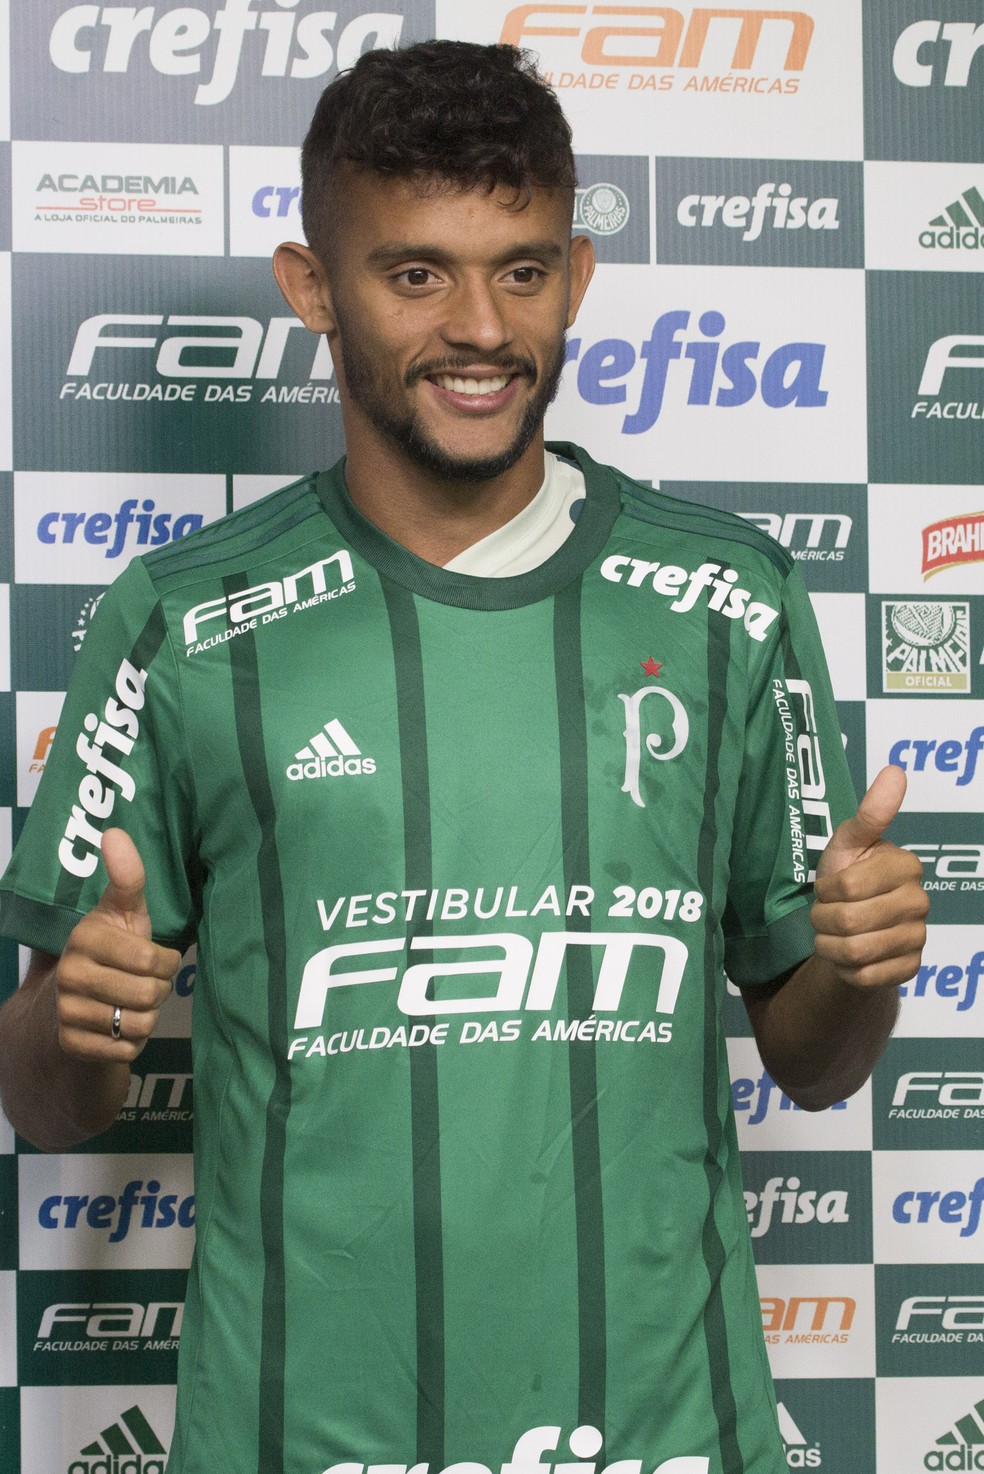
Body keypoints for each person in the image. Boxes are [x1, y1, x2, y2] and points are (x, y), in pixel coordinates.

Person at [0, 40, 926, 1474]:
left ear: (579, 276)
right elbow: (44, 1104)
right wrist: (76, 1021)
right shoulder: (183, 620)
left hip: (667, 1436)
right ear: (312, 285)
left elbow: (812, 1066)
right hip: (295, 1435)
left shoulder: (730, 599)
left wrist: (860, 973)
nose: (481, 327)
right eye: (416, 273)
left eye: (524, 269)